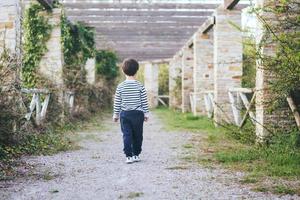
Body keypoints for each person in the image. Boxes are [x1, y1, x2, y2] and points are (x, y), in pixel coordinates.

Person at [113, 58, 149, 164]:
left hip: (125, 115)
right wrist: (146, 113)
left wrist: (115, 114)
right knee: (138, 135)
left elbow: (117, 102)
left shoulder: (120, 87)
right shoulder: (140, 86)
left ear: (123, 71)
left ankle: (128, 156)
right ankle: (136, 154)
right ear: (136, 71)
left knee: (127, 135)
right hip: (138, 115)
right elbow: (144, 101)